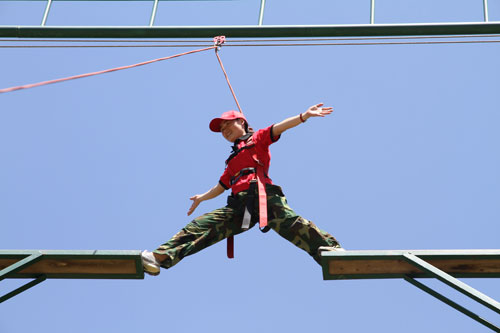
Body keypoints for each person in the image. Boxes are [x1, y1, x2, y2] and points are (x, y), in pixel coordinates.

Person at [141, 103, 343, 276]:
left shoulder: (258, 139)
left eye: (228, 124)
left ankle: (332, 252)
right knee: (202, 226)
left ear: (242, 122)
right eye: (221, 130)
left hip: (263, 197)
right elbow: (221, 186)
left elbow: (279, 127)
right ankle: (159, 257)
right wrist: (202, 198)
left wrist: (304, 116)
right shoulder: (231, 162)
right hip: (240, 206)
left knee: (293, 225)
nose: (224, 130)